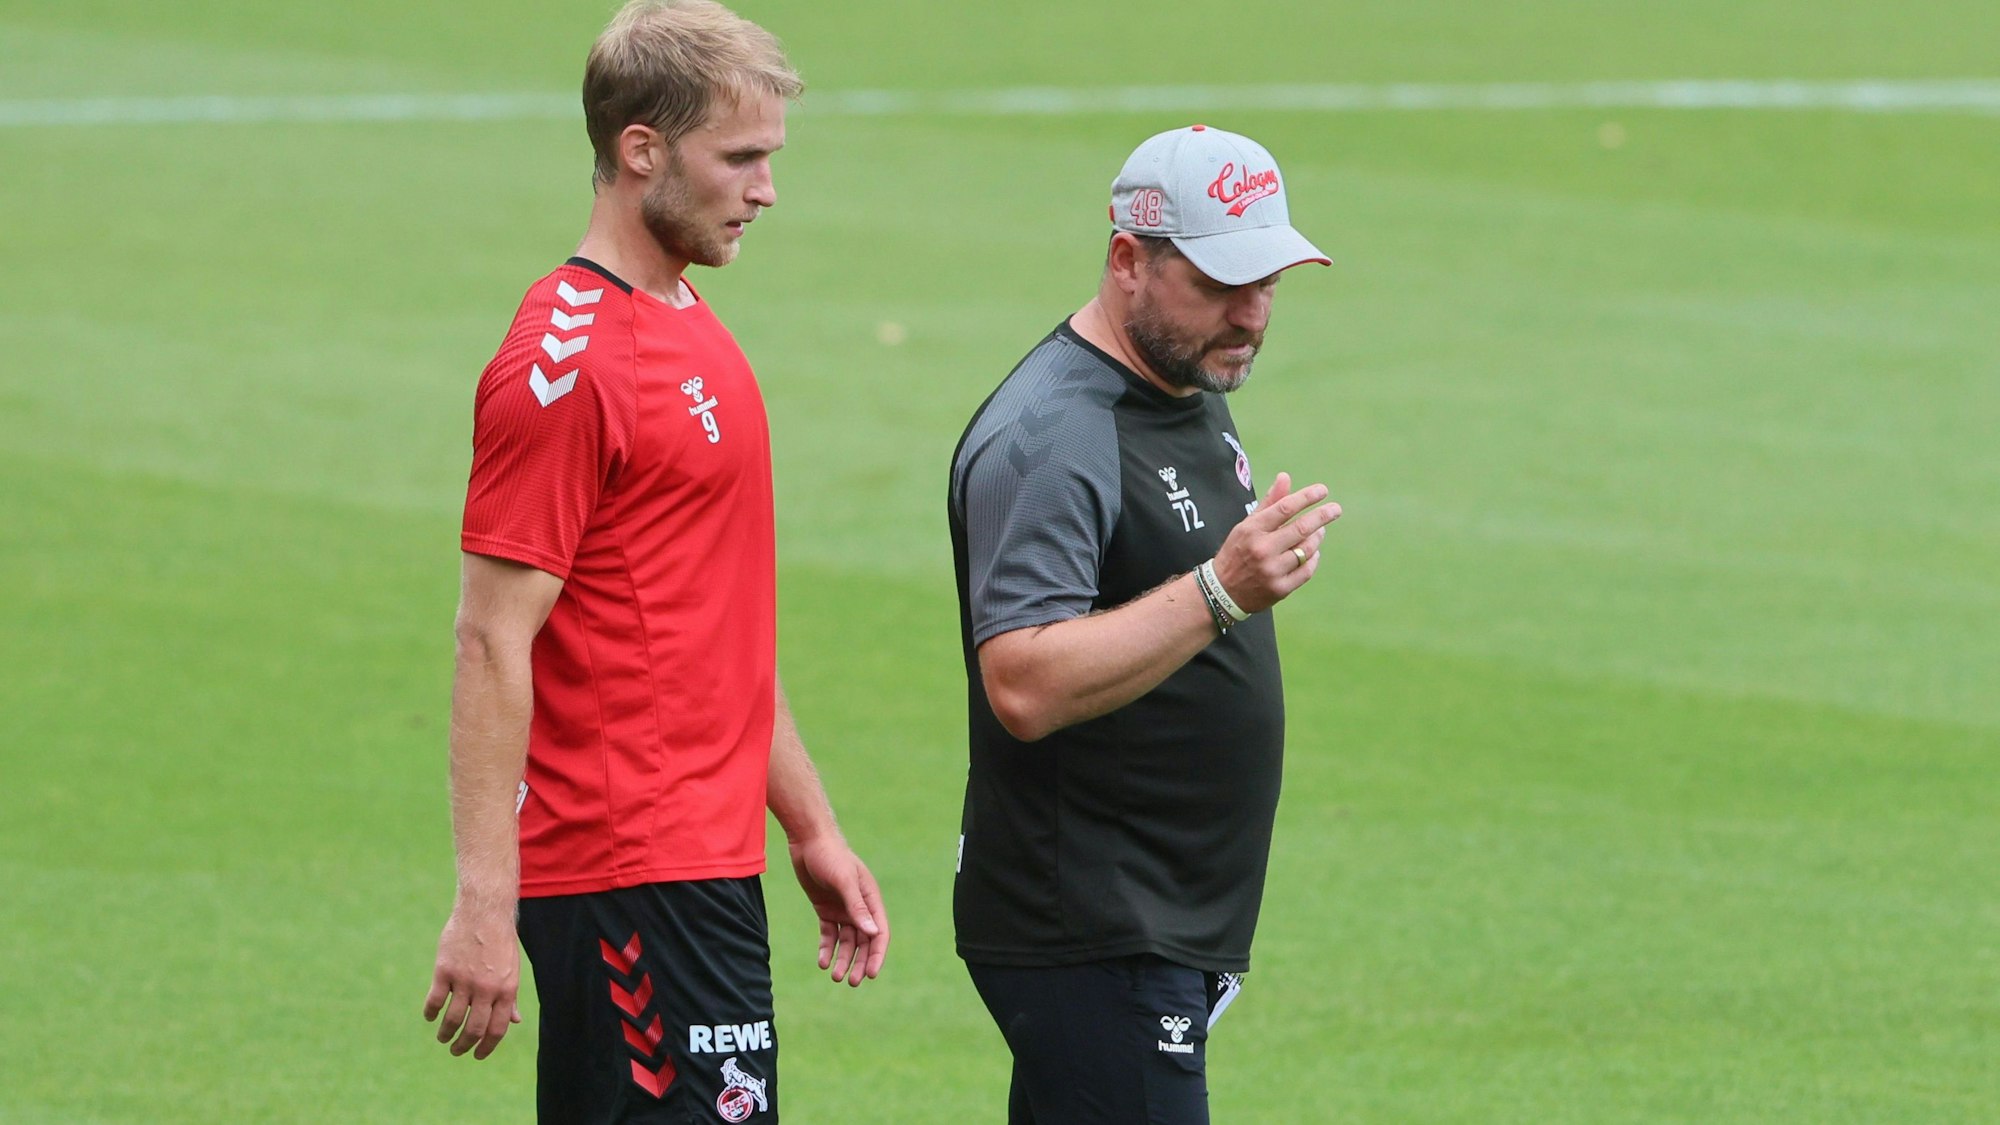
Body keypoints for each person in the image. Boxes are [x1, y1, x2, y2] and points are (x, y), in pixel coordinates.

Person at [421, 3, 887, 1120]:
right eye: (741, 158)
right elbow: (491, 637)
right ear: (641, 150)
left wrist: (806, 824)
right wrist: (486, 903)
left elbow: (703, 629)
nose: (765, 189)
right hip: (628, 870)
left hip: (705, 861)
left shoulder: (688, 320)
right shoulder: (564, 363)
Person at [947, 124, 1338, 1124]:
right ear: (1129, 260)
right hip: (1092, 929)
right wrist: (1221, 591)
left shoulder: (1183, 381)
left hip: (1152, 920)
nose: (1249, 316)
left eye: (1267, 282)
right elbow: (1023, 684)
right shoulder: (1053, 435)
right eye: (1219, 284)